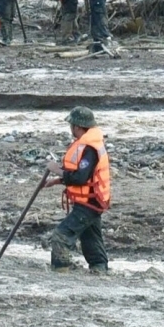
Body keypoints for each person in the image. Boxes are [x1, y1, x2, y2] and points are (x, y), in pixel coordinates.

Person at [44, 106, 111, 274]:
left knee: (61, 235)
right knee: (90, 239)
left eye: (72, 125)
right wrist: (57, 181)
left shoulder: (89, 149)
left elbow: (80, 178)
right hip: (92, 201)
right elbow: (82, 176)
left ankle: (60, 270)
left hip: (89, 202)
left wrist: (56, 170)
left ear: (78, 126)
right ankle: (99, 271)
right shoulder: (88, 145)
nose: (71, 129)